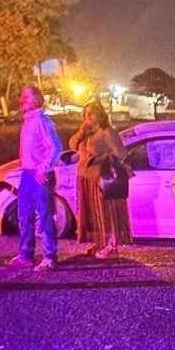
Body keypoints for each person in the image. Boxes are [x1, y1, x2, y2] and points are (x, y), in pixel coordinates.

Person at [69, 101, 132, 259]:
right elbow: (73, 145)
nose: (87, 116)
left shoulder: (106, 131)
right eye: (85, 114)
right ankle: (101, 241)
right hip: (86, 178)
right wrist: (81, 132)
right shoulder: (88, 132)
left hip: (102, 178)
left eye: (91, 113)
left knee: (107, 212)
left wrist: (101, 157)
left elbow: (121, 153)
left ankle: (111, 245)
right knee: (94, 214)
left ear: (100, 114)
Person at [9, 85, 61, 270]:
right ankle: (26, 255)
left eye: (26, 96)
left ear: (36, 100)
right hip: (27, 174)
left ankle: (49, 256)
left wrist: (44, 169)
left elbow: (55, 146)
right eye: (21, 96)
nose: (21, 100)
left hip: (39, 176)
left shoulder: (41, 120)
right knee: (24, 216)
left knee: (45, 216)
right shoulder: (28, 121)